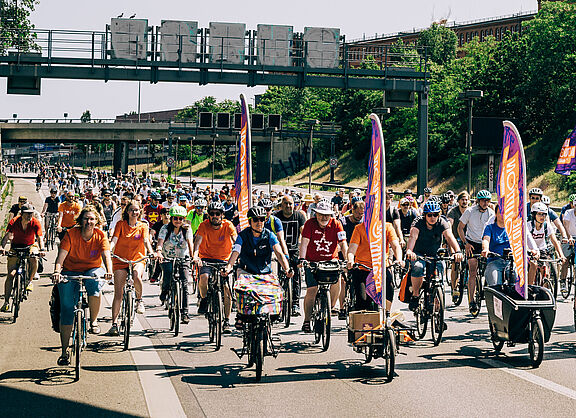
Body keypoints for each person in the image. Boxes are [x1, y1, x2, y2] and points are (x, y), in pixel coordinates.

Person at [51, 206, 113, 366]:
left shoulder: (100, 235)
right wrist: (57, 271)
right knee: (66, 309)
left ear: (97, 221)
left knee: (95, 283)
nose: (89, 222)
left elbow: (106, 255)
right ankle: (64, 352)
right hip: (70, 270)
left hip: (92, 268)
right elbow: (61, 257)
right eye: (86, 219)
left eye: (92, 219)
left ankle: (93, 321)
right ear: (80, 220)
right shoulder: (71, 234)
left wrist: (109, 270)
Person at [221, 206, 293, 329]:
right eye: (255, 219)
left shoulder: (269, 235)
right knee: (242, 292)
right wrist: (228, 267)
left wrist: (287, 269)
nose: (259, 222)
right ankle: (240, 314)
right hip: (246, 271)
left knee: (273, 292)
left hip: (264, 273)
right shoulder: (243, 235)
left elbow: (279, 253)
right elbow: (236, 251)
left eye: (262, 219)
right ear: (250, 222)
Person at [298, 201, 348, 333]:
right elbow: (304, 243)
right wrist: (302, 259)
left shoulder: (337, 224)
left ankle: (329, 307)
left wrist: (348, 259)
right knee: (312, 290)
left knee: (337, 280)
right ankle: (307, 320)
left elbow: (343, 243)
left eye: (327, 215)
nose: (324, 218)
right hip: (312, 261)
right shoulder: (309, 224)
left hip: (331, 260)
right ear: (316, 214)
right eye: (321, 215)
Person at [107, 200, 155, 336]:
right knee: (118, 293)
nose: (134, 212)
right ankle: (114, 324)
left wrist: (150, 252)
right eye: (132, 210)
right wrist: (110, 250)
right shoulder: (120, 225)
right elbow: (114, 239)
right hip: (120, 259)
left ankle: (139, 300)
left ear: (140, 212)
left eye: (137, 210)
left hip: (137, 259)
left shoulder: (143, 226)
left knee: (136, 275)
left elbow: (146, 241)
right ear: (127, 212)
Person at [406, 201, 463, 311]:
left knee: (439, 277)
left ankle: (438, 314)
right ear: (424, 215)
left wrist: (458, 251)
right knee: (418, 268)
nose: (433, 217)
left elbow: (449, 237)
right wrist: (409, 251)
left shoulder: (442, 222)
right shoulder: (418, 222)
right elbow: (413, 237)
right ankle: (416, 295)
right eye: (429, 215)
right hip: (419, 254)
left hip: (435, 253)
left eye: (435, 214)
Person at [193, 201, 237, 333]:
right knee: (204, 277)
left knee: (226, 289)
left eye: (218, 214)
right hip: (206, 258)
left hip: (224, 260)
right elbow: (198, 241)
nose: (215, 216)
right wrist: (195, 256)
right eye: (212, 214)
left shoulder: (228, 225)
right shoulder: (203, 225)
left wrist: (240, 255)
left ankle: (227, 320)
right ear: (209, 215)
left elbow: (236, 240)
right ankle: (204, 299)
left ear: (222, 215)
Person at [347, 221, 404, 314]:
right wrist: (350, 260)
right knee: (363, 300)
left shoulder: (387, 227)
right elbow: (352, 248)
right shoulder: (359, 228)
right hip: (363, 267)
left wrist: (399, 259)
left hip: (381, 267)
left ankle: (387, 314)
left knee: (389, 285)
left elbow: (395, 245)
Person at [0, 204, 45, 311]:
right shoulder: (14, 221)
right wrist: (1, 247)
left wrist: (42, 250)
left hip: (30, 246)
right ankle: (6, 302)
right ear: (22, 214)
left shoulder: (35, 222)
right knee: (11, 275)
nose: (30, 216)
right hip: (16, 247)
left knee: (34, 258)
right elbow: (7, 236)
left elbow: (39, 237)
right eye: (27, 214)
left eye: (31, 213)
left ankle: (29, 281)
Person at [482, 204, 539, 286]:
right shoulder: (490, 227)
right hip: (494, 261)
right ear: (496, 214)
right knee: (495, 285)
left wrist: (531, 250)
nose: (503, 215)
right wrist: (485, 249)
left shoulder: (513, 228)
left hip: (511, 262)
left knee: (518, 281)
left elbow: (521, 241)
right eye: (500, 213)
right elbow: (486, 239)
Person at [457, 190, 494, 315]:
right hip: (472, 243)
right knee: (472, 270)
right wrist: (465, 243)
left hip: (485, 243)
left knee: (489, 269)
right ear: (478, 201)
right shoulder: (470, 211)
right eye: (483, 200)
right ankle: (472, 300)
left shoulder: (491, 213)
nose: (485, 203)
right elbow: (460, 228)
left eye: (488, 201)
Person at [156, 206, 194, 323]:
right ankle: (165, 291)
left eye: (181, 219)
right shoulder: (165, 228)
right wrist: (158, 252)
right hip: (167, 257)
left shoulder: (187, 229)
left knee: (184, 284)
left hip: (183, 257)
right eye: (175, 218)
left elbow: (190, 243)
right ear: (172, 219)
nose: (178, 221)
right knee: (167, 274)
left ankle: (185, 312)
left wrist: (193, 257)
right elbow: (160, 242)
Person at [275, 194, 307, 316]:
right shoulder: (276, 217)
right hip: (280, 251)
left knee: (296, 277)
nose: (288, 206)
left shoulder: (299, 216)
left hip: (294, 250)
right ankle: (280, 303)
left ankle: (295, 304)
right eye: (286, 204)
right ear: (281, 205)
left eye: (291, 204)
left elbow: (304, 235)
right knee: (279, 276)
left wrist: (303, 252)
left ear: (294, 205)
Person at [527, 202, 564, 285]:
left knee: (546, 269)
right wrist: (531, 251)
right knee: (533, 264)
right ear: (534, 215)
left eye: (544, 214)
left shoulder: (547, 226)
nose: (542, 217)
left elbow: (554, 241)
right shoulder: (528, 226)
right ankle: (530, 287)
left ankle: (546, 287)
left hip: (542, 249)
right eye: (539, 214)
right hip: (530, 250)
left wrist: (561, 255)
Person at [447, 191, 469, 301]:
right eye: (462, 199)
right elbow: (449, 226)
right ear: (458, 201)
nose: (464, 202)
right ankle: (454, 288)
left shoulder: (471, 211)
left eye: (466, 199)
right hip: (455, 239)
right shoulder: (453, 212)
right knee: (455, 262)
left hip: (469, 239)